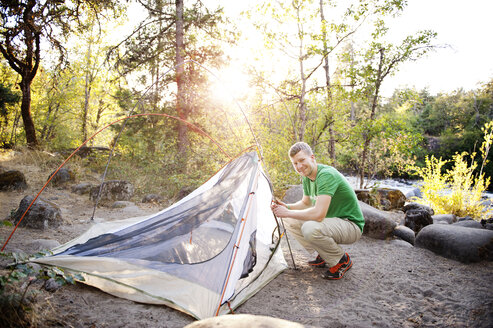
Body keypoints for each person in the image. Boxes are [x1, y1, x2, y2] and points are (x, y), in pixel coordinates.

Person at [271, 142, 365, 280]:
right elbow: (305, 203)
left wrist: (288, 212)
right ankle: (325, 253)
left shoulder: (326, 175)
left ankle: (342, 261)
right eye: (295, 163)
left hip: (351, 225)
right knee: (287, 219)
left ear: (312, 158)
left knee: (310, 227)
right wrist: (287, 207)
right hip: (332, 223)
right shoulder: (307, 177)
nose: (299, 166)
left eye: (302, 160)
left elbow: (319, 214)